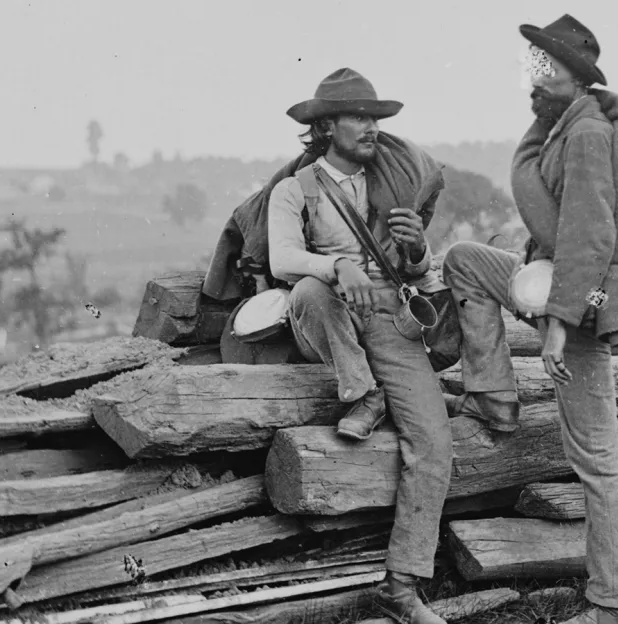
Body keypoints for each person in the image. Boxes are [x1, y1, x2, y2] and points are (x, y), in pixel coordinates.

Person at [441, 14, 618, 624]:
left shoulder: (586, 133)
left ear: (578, 76)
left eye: (545, 67)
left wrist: (558, 324)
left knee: (597, 456)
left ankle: (616, 603)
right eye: (530, 66)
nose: (532, 78)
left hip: (583, 303)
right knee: (464, 261)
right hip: (550, 281)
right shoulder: (559, 126)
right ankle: (494, 396)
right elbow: (556, 224)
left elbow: (591, 235)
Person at [268, 67, 452, 624]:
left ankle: (401, 586)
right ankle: (363, 391)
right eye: (357, 117)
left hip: (391, 318)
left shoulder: (390, 184)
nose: (371, 126)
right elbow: (282, 259)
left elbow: (415, 274)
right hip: (330, 318)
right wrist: (336, 266)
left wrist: (417, 249)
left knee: (433, 441)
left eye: (374, 116)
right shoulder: (295, 189)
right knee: (308, 289)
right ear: (326, 127)